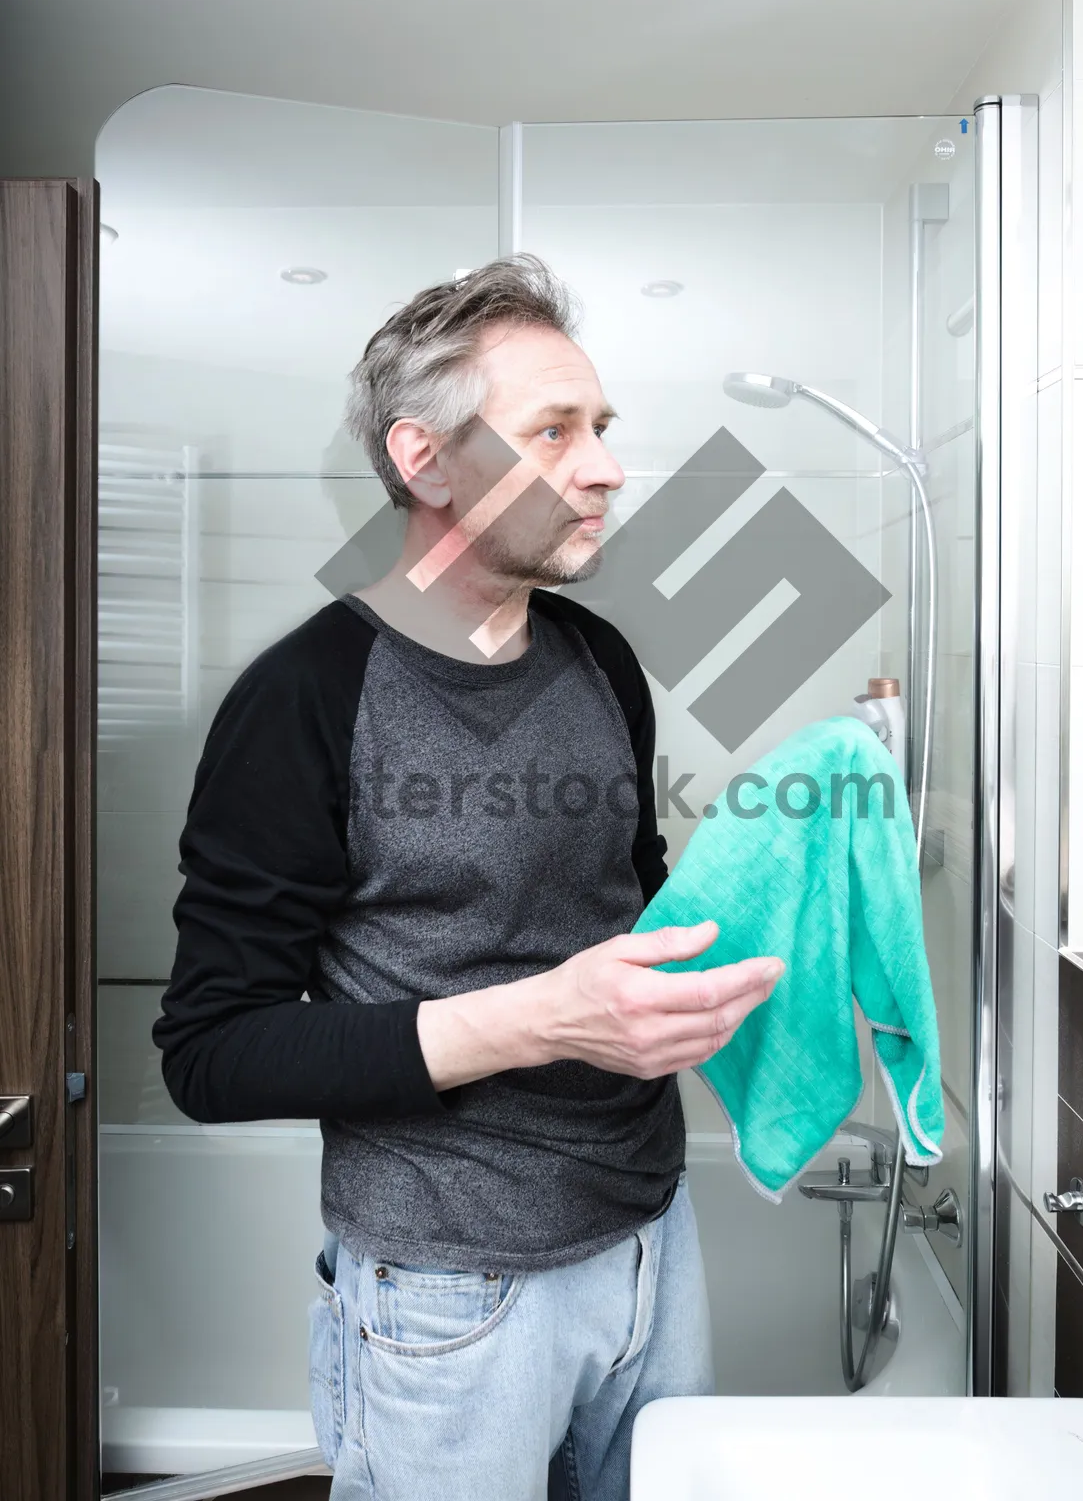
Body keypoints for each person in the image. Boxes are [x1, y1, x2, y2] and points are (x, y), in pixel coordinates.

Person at [154, 256, 783, 1501]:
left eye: (601, 428)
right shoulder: (306, 700)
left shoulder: (601, 661)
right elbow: (210, 1052)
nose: (604, 466)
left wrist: (776, 907)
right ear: (425, 459)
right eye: (554, 430)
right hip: (452, 1290)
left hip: (653, 1238)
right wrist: (543, 1017)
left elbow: (629, 903)